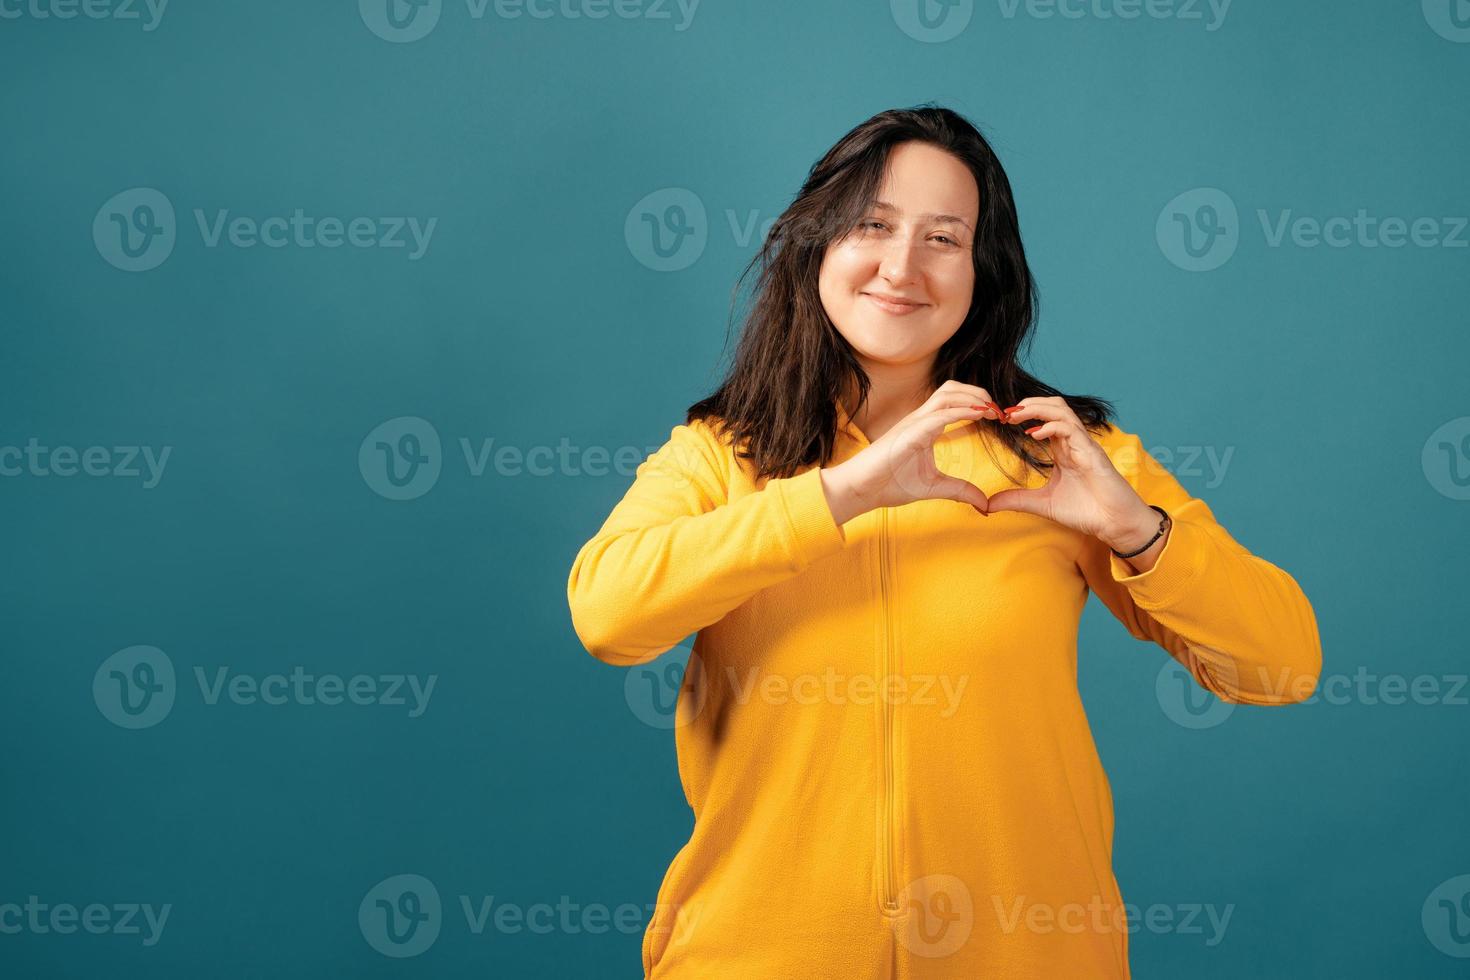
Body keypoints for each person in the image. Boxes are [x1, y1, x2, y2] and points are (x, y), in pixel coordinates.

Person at [566, 104, 1321, 979]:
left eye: (943, 238)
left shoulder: (1063, 459)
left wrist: (1134, 530)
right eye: (871, 227)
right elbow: (607, 616)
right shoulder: (719, 455)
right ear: (815, 246)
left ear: (981, 271)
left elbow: (1282, 664)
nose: (901, 267)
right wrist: (842, 496)